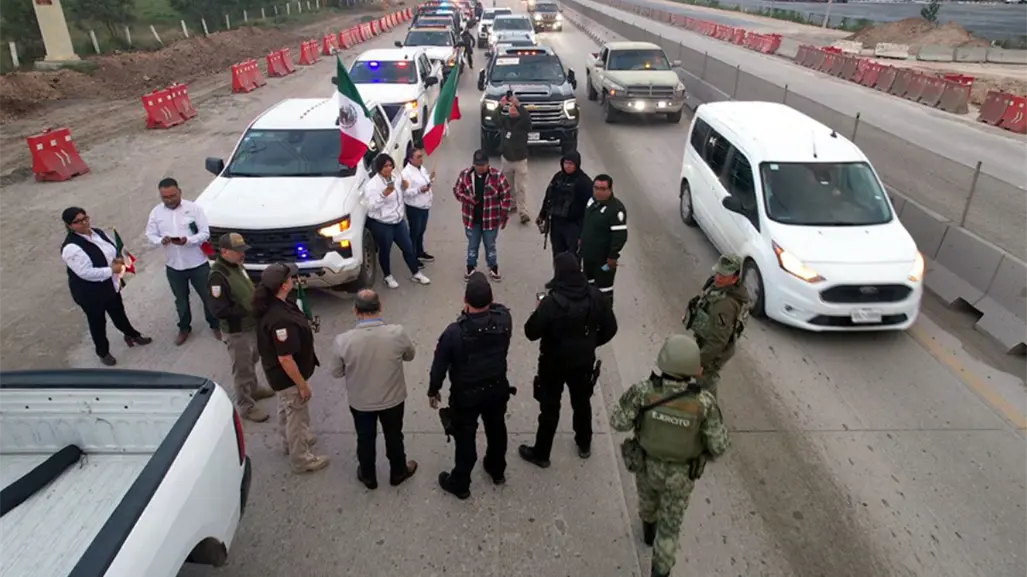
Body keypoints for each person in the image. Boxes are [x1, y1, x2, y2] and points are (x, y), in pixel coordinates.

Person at [610, 334, 730, 577]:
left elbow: (618, 421)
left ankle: (647, 531)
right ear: (694, 368)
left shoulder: (644, 392)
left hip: (646, 465)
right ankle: (659, 570)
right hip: (682, 475)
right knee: (670, 529)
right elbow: (719, 446)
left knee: (647, 503)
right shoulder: (704, 402)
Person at [519, 252, 618, 467]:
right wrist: (591, 342)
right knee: (582, 403)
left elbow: (530, 332)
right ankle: (584, 443)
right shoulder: (595, 296)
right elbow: (611, 328)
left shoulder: (551, 303)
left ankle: (542, 453)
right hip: (583, 362)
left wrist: (538, 310)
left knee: (550, 408)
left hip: (553, 364)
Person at [428, 272, 513, 499]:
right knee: (497, 429)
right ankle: (497, 470)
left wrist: (433, 390)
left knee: (465, 438)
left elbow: (439, 366)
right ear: (491, 298)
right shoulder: (504, 319)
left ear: (465, 301)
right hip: (496, 388)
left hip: (466, 396)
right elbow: (499, 310)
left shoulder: (454, 332)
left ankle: (461, 482)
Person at [330, 289, 419, 490]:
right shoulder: (397, 333)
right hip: (393, 399)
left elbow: (336, 372)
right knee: (394, 435)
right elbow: (409, 356)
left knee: (365, 437)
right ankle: (398, 472)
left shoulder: (343, 340)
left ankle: (368, 476)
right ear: (380, 308)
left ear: (355, 310)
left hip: (361, 402)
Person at [254, 262, 329, 474]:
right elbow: (286, 358)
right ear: (284, 285)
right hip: (288, 378)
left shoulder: (276, 304)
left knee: (286, 409)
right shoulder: (280, 320)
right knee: (296, 415)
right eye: (291, 278)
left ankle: (291, 442)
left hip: (279, 377)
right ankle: (301, 458)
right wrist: (302, 385)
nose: (294, 280)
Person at [60, 207, 152, 366]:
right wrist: (111, 270)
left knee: (119, 313)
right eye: (78, 222)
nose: (84, 223)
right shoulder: (71, 248)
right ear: (69, 225)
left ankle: (131, 335)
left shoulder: (97, 233)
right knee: (97, 323)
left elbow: (111, 249)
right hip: (90, 293)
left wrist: (118, 261)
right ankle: (102, 352)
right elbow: (85, 272)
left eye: (85, 218)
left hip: (110, 285)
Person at [208, 232, 276, 422]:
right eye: (237, 251)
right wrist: (248, 307)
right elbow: (219, 310)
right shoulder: (217, 276)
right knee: (242, 368)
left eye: (242, 250)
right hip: (237, 331)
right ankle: (246, 405)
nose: (242, 254)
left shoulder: (237, 265)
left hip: (250, 325)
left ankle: (253, 389)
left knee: (253, 358)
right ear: (224, 252)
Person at [145, 177, 220, 345]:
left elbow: (205, 233)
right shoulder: (156, 212)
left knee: (208, 296)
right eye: (165, 197)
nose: (170, 200)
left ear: (180, 192)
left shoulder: (194, 209)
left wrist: (188, 240)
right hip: (174, 265)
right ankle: (184, 328)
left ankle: (215, 325)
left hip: (197, 263)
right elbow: (150, 234)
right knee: (181, 299)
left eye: (173, 195)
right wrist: (160, 241)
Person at [681, 254, 751, 396]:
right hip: (708, 340)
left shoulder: (724, 305)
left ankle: (710, 411)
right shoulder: (721, 287)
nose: (718, 278)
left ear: (735, 277)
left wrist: (701, 362)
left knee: (706, 382)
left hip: (715, 350)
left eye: (723, 275)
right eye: (718, 273)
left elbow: (718, 341)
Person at [363, 153, 431, 289]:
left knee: (408, 247)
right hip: (383, 224)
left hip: (399, 222)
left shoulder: (396, 177)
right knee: (385, 250)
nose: (388, 169)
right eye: (385, 166)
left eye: (390, 165)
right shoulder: (372, 185)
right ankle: (387, 276)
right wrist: (384, 194)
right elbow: (370, 207)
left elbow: (404, 194)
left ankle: (416, 273)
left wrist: (409, 187)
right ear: (379, 168)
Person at [453, 149, 511, 282]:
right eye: (477, 165)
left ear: (488, 164)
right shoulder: (465, 175)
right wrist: (467, 198)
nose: (480, 168)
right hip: (471, 219)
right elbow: (456, 190)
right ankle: (470, 266)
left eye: (482, 165)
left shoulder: (497, 176)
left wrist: (504, 215)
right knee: (472, 244)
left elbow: (506, 196)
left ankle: (493, 266)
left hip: (490, 219)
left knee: (490, 244)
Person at [580, 174, 627, 306]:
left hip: (603, 259)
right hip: (589, 255)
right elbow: (587, 223)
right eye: (596, 188)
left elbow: (620, 236)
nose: (598, 192)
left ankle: (605, 318)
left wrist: (612, 256)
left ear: (610, 190)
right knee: (588, 285)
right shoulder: (592, 202)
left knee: (603, 291)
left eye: (602, 189)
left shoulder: (616, 209)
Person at [537, 150, 593, 259]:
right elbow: (549, 196)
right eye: (565, 163)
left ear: (577, 164)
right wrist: (542, 215)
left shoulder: (584, 182)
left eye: (571, 163)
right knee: (558, 256)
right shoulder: (558, 177)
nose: (567, 166)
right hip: (556, 223)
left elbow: (589, 209)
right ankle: (559, 276)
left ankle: (573, 276)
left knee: (573, 257)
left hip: (573, 225)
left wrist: (584, 233)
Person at [497, 94, 532, 224]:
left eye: (514, 108)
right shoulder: (505, 121)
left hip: (520, 160)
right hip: (506, 159)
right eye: (510, 107)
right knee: (507, 186)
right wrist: (501, 105)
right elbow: (495, 117)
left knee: (520, 187)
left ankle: (523, 212)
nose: (512, 109)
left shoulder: (523, 124)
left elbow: (527, 118)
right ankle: (511, 206)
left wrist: (519, 105)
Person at [401, 147, 436, 265]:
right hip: (414, 208)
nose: (421, 159)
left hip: (425, 206)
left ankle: (420, 252)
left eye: (421, 156)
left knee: (421, 230)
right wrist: (419, 190)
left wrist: (430, 179)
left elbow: (425, 180)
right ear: (411, 159)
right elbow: (405, 193)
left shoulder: (421, 169)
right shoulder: (406, 174)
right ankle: (412, 257)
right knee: (414, 233)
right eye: (418, 157)